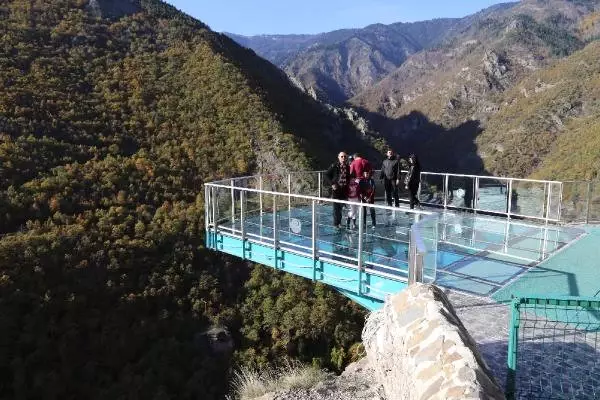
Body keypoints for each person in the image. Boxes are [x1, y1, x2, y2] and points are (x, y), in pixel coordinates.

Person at [326, 152, 350, 229]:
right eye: (342, 156)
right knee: (336, 208)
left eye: (344, 157)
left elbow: (348, 177)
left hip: (344, 190)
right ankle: (336, 224)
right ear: (338, 157)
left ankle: (339, 223)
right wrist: (332, 184)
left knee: (341, 207)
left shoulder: (347, 166)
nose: (343, 158)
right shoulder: (334, 166)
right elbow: (327, 175)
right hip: (336, 190)